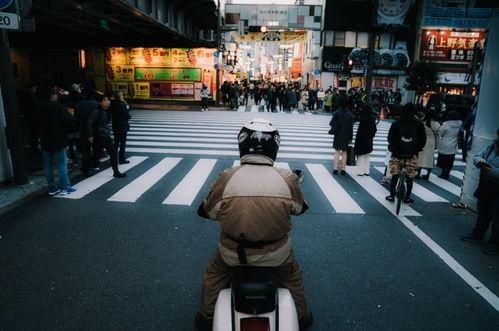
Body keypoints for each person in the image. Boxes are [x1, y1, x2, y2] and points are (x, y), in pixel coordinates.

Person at [194, 119, 313, 331]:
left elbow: (207, 212)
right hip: (278, 254)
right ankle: (302, 318)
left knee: (214, 274)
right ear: (274, 146)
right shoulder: (287, 178)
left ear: (242, 144)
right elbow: (299, 209)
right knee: (293, 277)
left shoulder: (227, 177)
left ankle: (206, 317)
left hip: (232, 254)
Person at [460, 130, 499, 255]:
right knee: (483, 209)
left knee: (497, 215)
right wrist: (480, 162)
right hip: (486, 184)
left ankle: (495, 243)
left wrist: (489, 170)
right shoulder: (493, 146)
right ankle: (477, 234)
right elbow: (478, 155)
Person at [385, 103, 426, 204]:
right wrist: (418, 149)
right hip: (412, 154)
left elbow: (390, 138)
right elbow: (423, 139)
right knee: (409, 177)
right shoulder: (419, 123)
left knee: (395, 175)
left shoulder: (396, 123)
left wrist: (393, 147)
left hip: (397, 153)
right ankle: (407, 197)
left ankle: (391, 196)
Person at [38, 87, 76, 196]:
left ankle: (52, 188)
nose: (56, 96)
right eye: (55, 94)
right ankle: (65, 187)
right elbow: (69, 121)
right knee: (61, 164)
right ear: (51, 95)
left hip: (45, 139)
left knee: (48, 165)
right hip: (58, 139)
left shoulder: (39, 107)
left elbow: (34, 123)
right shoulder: (58, 107)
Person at [87, 94, 126, 178]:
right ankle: (84, 167)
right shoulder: (97, 111)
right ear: (100, 102)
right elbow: (89, 123)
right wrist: (90, 136)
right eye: (104, 100)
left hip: (106, 136)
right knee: (96, 155)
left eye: (108, 100)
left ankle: (116, 172)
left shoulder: (107, 110)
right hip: (99, 136)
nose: (107, 102)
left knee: (112, 154)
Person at [75, 89, 98, 176]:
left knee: (85, 149)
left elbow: (76, 118)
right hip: (94, 130)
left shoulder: (79, 104)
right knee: (96, 148)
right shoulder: (95, 104)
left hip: (82, 130)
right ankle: (93, 164)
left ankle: (85, 167)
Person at [437, 111, 462, 179]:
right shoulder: (459, 124)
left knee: (443, 159)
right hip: (453, 144)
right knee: (450, 160)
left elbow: (441, 133)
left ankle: (443, 173)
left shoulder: (446, 124)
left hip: (445, 143)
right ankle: (447, 173)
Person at [331, 98, 354, 175]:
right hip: (346, 135)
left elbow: (331, 123)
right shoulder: (350, 115)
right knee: (344, 152)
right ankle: (343, 169)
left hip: (338, 134)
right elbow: (351, 128)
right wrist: (351, 138)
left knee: (337, 151)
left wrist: (337, 125)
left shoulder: (336, 113)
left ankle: (335, 169)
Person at [416, 110, 440, 180]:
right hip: (431, 142)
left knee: (420, 158)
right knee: (429, 159)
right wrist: (436, 145)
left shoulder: (422, 123)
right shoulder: (437, 124)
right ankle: (428, 174)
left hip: (422, 141)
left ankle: (418, 173)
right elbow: (438, 136)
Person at [354, 104, 377, 176]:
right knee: (367, 155)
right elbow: (374, 130)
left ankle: (360, 171)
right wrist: (371, 136)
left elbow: (360, 131)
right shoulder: (372, 119)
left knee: (361, 155)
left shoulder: (363, 119)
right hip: (369, 139)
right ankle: (366, 171)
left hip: (361, 140)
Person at [110, 91, 131, 164]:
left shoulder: (112, 104)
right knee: (122, 143)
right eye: (122, 95)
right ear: (119, 96)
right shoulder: (122, 104)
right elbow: (127, 116)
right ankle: (121, 159)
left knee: (116, 143)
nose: (123, 96)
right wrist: (126, 106)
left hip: (115, 125)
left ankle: (113, 159)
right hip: (122, 126)